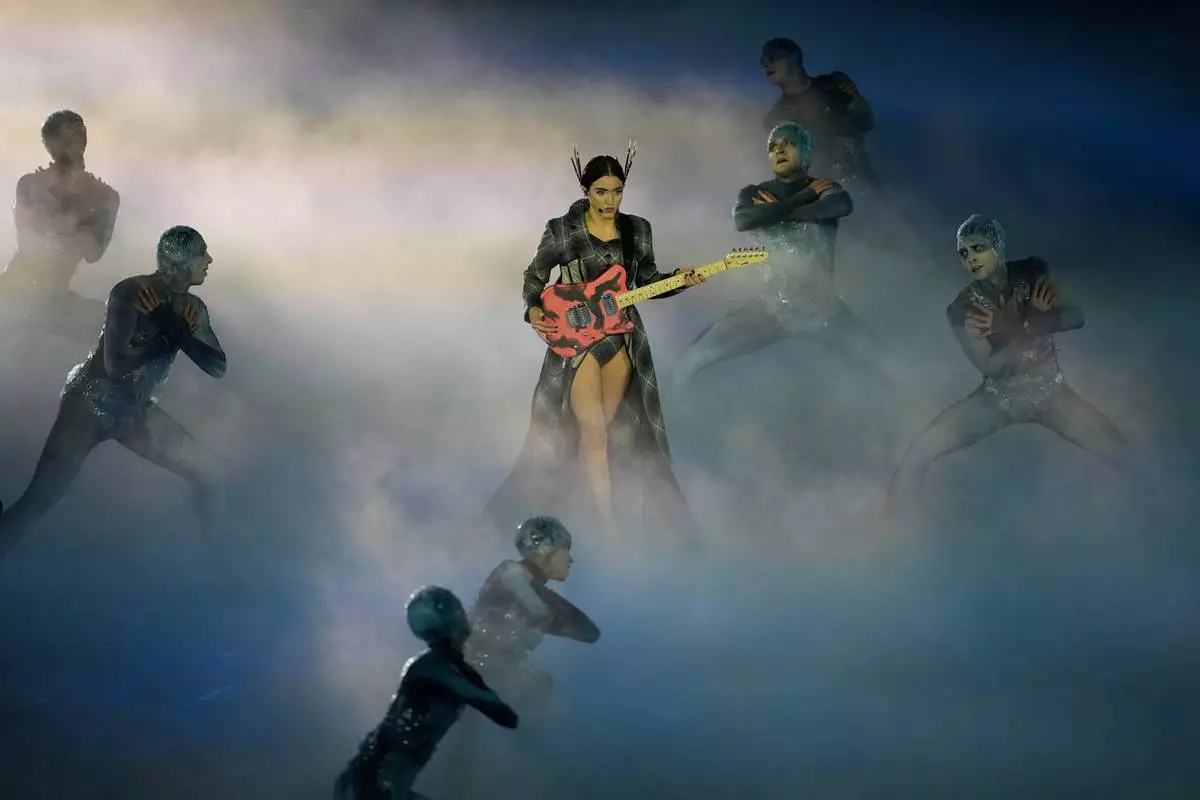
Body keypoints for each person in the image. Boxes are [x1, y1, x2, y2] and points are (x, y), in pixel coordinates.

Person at [484, 145, 706, 537]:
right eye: (601, 191)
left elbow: (648, 283)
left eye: (617, 191)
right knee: (593, 432)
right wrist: (534, 312)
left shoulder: (637, 229)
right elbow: (534, 278)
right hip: (578, 337)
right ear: (586, 190)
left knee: (616, 428)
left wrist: (681, 280)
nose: (610, 200)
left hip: (621, 336)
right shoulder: (562, 229)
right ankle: (607, 528)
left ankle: (607, 516)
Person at [883, 214, 1138, 516]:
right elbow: (991, 367)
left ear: (997, 246)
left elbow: (1076, 317)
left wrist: (1014, 325)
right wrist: (1031, 321)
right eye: (963, 253)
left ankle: (1157, 518)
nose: (970, 258)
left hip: (1051, 393)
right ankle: (894, 523)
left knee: (1117, 448)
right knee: (921, 450)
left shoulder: (1031, 273)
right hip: (998, 399)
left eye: (977, 248)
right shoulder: (962, 308)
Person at [0, 226, 226, 556]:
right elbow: (115, 366)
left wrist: (176, 331)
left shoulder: (193, 307)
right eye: (201, 253)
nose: (209, 260)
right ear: (180, 259)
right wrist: (166, 337)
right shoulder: (131, 292)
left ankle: (216, 561)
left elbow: (217, 366)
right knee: (37, 502)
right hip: (88, 405)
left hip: (134, 409)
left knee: (210, 473)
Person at [675, 123, 913, 402]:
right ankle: (674, 417)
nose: (779, 150)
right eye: (773, 146)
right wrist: (801, 200)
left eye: (787, 143)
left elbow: (839, 206)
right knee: (692, 358)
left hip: (823, 311)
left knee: (890, 368)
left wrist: (772, 212)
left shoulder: (826, 189)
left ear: (805, 152)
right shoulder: (753, 193)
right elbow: (745, 220)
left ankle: (917, 410)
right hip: (770, 310)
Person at [333, 586, 519, 800]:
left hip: (376, 784)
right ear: (451, 617)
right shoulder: (433, 669)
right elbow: (501, 713)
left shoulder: (439, 667)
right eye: (456, 609)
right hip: (373, 786)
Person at [0, 110, 120, 344]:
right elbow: (31, 244)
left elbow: (94, 252)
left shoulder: (105, 196)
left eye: (79, 132)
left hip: (54, 296)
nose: (75, 141)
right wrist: (78, 212)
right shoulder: (31, 185)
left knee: (124, 329)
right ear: (51, 144)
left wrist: (88, 209)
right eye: (68, 135)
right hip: (16, 289)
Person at [759, 38, 877, 188]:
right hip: (824, 189)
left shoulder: (834, 84)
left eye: (772, 58)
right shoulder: (776, 117)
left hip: (862, 182)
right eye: (763, 61)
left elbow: (866, 119)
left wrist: (824, 128)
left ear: (793, 59)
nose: (766, 65)